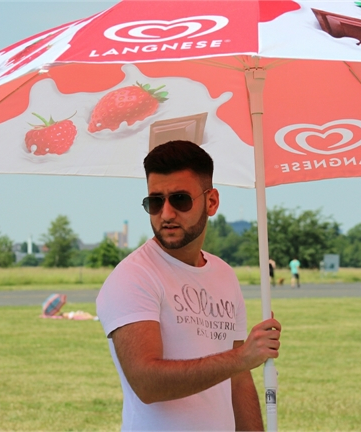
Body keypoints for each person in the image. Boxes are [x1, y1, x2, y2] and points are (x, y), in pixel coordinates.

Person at [96, 141, 281, 431]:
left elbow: (238, 380)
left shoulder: (224, 275)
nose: (166, 214)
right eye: (155, 202)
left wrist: (241, 363)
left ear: (211, 202)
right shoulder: (133, 276)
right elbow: (146, 383)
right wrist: (241, 358)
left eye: (180, 199)